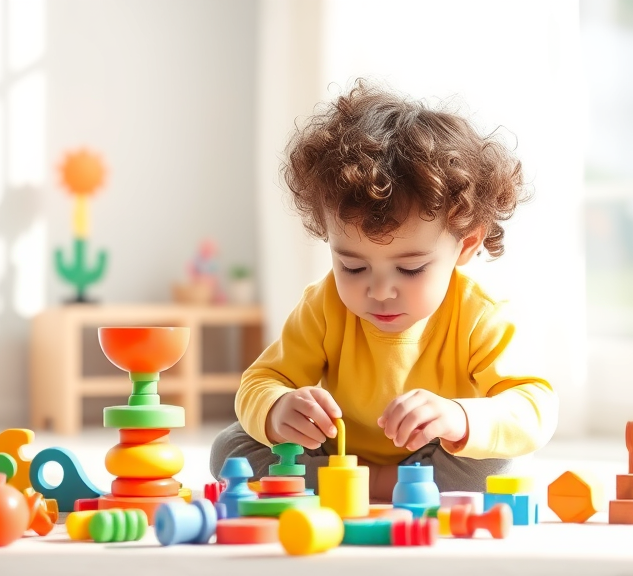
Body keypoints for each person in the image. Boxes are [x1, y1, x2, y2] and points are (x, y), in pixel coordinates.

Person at [209, 81, 558, 500]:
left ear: (465, 244)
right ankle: (363, 484)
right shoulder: (323, 305)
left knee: (504, 462)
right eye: (352, 266)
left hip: (430, 458)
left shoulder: (478, 314)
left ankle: (369, 486)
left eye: (410, 269)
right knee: (230, 447)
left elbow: (535, 405)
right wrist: (279, 409)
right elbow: (262, 381)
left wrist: (459, 417)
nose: (379, 290)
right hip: (334, 454)